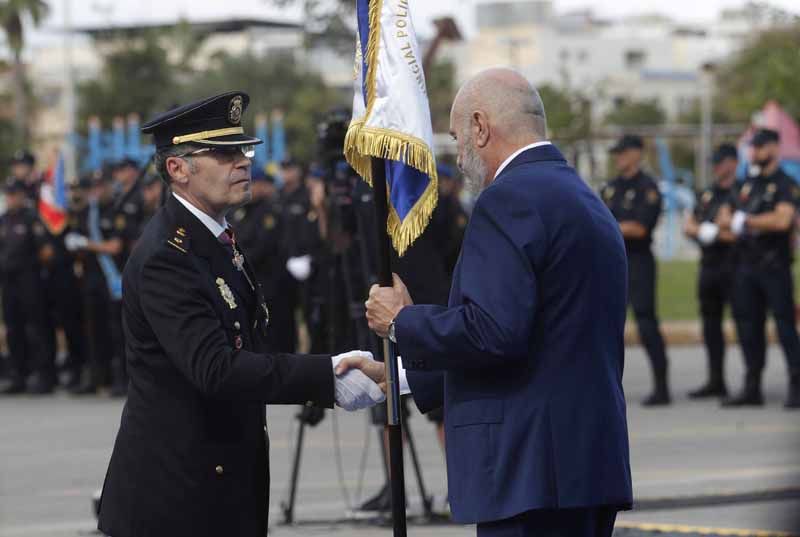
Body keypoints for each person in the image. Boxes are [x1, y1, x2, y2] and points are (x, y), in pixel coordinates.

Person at [341, 68, 632, 537]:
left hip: (530, 470)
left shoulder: (508, 200)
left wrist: (404, 320)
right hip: (583, 464)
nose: (458, 156)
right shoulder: (581, 196)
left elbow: (494, 332)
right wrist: (401, 377)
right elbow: (540, 336)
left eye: (457, 138)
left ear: (481, 125)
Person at [96, 91, 384, 537]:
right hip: (176, 499)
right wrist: (326, 376)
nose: (243, 162)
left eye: (243, 150)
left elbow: (249, 345)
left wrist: (332, 371)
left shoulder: (215, 238)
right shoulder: (167, 255)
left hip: (220, 485)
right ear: (177, 169)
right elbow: (217, 369)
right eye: (223, 153)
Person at [723, 128, 800, 408]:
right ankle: (752, 385)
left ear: (773, 148)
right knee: (748, 327)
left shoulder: (785, 184)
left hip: (774, 266)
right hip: (746, 266)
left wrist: (747, 222)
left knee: (784, 325)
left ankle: (796, 382)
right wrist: (742, 221)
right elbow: (724, 216)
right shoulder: (747, 185)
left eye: (758, 147)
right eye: (751, 148)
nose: (753, 153)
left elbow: (782, 220)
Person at [601, 134, 671, 406]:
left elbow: (640, 228)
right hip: (612, 263)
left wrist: (608, 226)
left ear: (636, 154)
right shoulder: (610, 188)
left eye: (622, 152)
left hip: (639, 261)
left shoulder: (648, 187)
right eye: (616, 153)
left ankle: (661, 385)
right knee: (606, 327)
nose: (618, 158)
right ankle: (606, 387)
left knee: (646, 322)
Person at [682, 143, 739, 398]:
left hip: (737, 266)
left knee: (746, 325)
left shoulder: (743, 192)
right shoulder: (708, 194)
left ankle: (752, 384)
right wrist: (715, 230)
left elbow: (739, 233)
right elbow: (690, 225)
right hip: (710, 266)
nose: (715, 167)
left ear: (732, 163)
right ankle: (716, 379)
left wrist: (709, 231)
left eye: (720, 162)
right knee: (711, 326)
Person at [65, 171, 129, 396]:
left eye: (101, 186)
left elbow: (114, 247)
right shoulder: (87, 212)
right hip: (91, 278)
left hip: (113, 278)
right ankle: (97, 378)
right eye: (94, 187)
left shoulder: (117, 210)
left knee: (116, 331)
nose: (97, 191)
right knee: (94, 330)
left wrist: (86, 243)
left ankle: (121, 379)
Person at [0, 179, 54, 394]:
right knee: (14, 329)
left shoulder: (33, 218)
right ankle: (18, 375)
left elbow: (46, 251)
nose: (12, 198)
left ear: (23, 195)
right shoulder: (4, 220)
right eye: (9, 194)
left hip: (29, 281)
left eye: (15, 194)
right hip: (9, 282)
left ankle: (44, 376)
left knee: (36, 328)